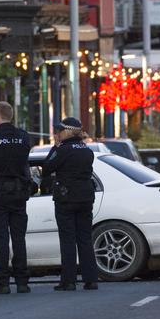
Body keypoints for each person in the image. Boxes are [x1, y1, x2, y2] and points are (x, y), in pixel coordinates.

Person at [0, 101, 32, 294]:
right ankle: (22, 282)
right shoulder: (23, 137)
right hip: (19, 194)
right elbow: (25, 158)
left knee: (1, 239)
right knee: (19, 238)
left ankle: (2, 282)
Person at [42, 117, 99, 291]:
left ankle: (69, 280)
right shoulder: (87, 150)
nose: (57, 134)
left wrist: (55, 146)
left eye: (59, 131)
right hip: (85, 198)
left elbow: (46, 168)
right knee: (85, 239)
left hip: (66, 199)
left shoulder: (63, 150)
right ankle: (91, 279)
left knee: (68, 240)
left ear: (66, 131)